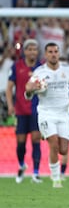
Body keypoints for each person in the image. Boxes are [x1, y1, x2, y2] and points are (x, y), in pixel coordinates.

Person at [24, 42, 69, 188]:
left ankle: (56, 172)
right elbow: (28, 91)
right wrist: (31, 90)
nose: (53, 54)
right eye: (50, 52)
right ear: (46, 55)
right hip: (46, 113)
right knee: (53, 144)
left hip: (63, 114)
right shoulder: (39, 72)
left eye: (56, 51)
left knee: (64, 149)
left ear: (59, 53)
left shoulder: (67, 70)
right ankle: (56, 179)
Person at [6, 39, 43, 184]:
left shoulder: (42, 68)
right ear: (25, 51)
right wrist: (10, 105)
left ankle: (36, 173)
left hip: (37, 110)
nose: (32, 51)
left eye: (35, 49)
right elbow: (9, 88)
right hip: (20, 109)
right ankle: (21, 165)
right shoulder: (17, 66)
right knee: (20, 142)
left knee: (36, 139)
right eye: (30, 49)